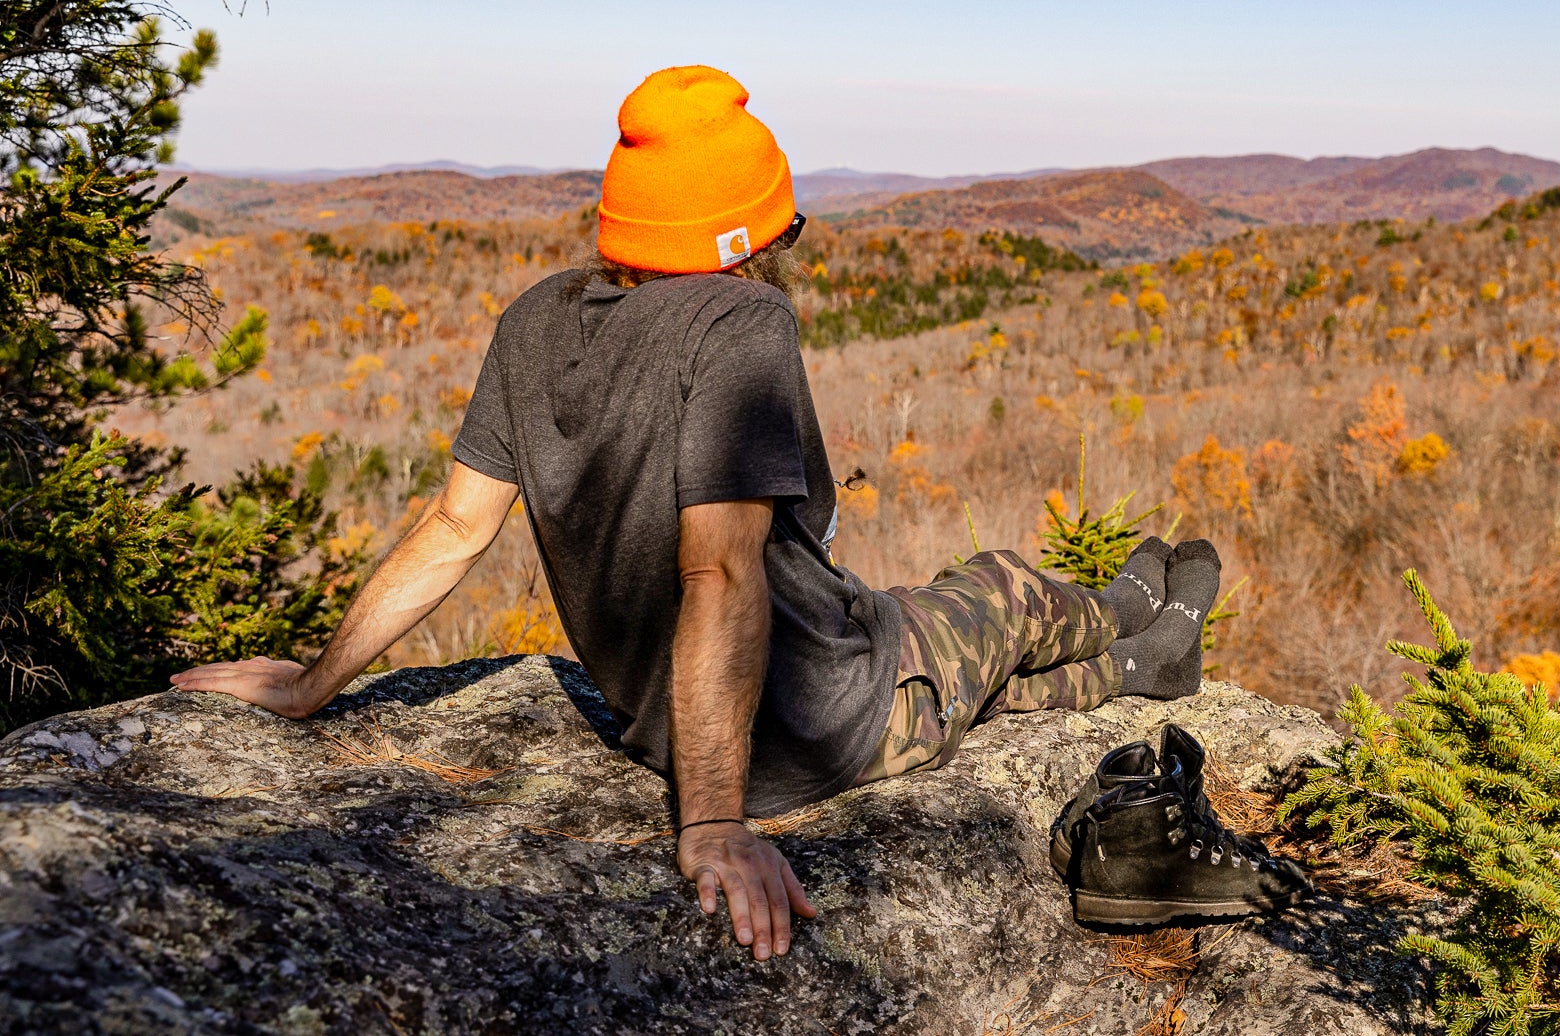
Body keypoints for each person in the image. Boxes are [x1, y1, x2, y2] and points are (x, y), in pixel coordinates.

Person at [169, 66, 1222, 962]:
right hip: (812, 725)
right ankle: (1122, 612)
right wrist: (715, 825)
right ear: (737, 239)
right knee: (996, 589)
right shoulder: (742, 317)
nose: (785, 253)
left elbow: (453, 528)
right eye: (783, 229)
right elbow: (719, 573)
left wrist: (315, 685)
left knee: (944, 673)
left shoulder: (533, 318)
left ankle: (1138, 660)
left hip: (673, 728)